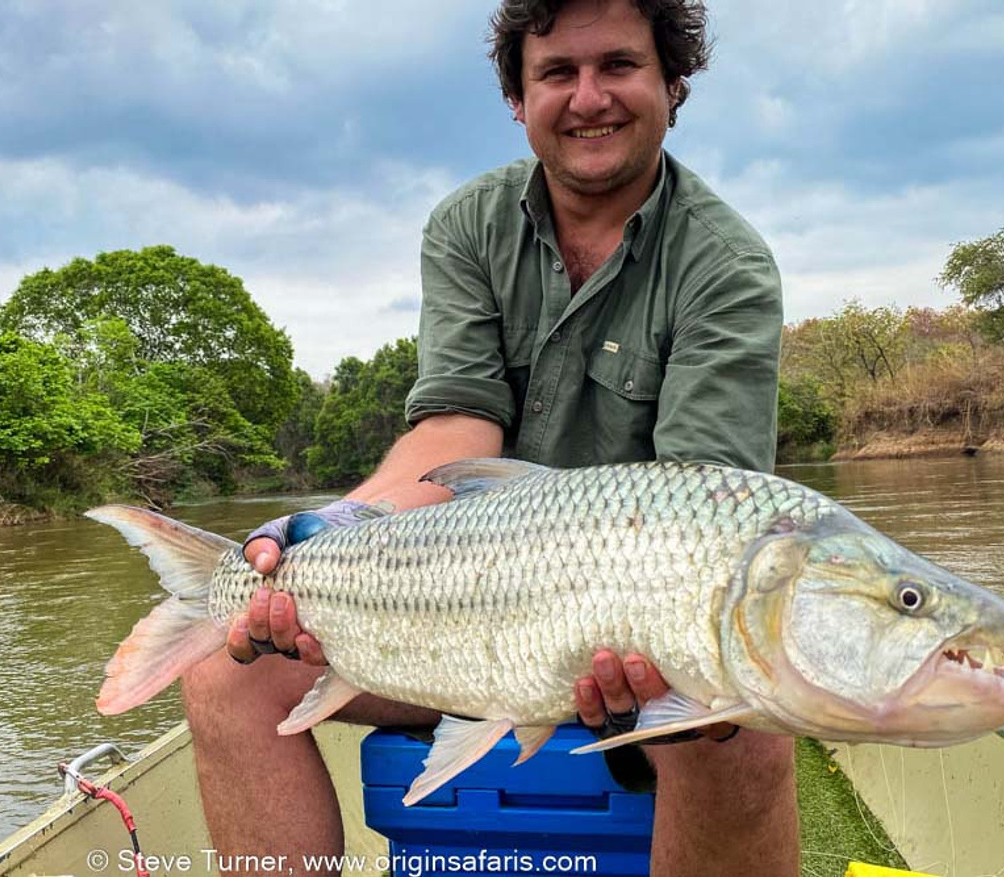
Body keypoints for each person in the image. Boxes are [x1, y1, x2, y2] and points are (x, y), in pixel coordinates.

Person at [182, 1, 797, 874]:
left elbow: (706, 516)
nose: (589, 98)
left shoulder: (726, 264)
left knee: (744, 731)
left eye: (619, 66)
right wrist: (336, 527)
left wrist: (655, 658)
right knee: (224, 671)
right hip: (463, 604)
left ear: (673, 83)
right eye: (557, 73)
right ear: (519, 97)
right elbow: (456, 427)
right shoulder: (467, 225)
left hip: (643, 633)